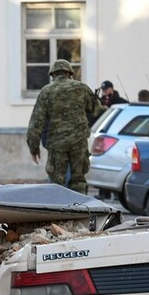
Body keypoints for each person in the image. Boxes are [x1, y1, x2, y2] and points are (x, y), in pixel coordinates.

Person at [27, 59, 96, 194]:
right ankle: (80, 205)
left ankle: (58, 205)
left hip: (57, 144)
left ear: (52, 74)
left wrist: (34, 147)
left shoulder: (47, 91)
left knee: (57, 181)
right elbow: (95, 110)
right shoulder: (82, 88)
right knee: (78, 180)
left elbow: (36, 122)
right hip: (79, 142)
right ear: (70, 73)